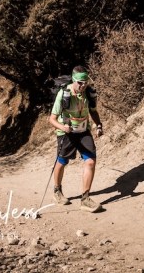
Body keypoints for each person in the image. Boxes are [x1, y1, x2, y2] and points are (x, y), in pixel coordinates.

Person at [49, 65, 104, 212]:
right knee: (62, 161)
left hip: (83, 131)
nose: (83, 85)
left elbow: (93, 111)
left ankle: (85, 199)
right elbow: (52, 119)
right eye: (80, 83)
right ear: (73, 80)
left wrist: (99, 125)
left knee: (90, 161)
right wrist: (63, 128)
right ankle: (57, 190)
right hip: (66, 132)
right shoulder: (63, 94)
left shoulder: (89, 93)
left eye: (85, 82)